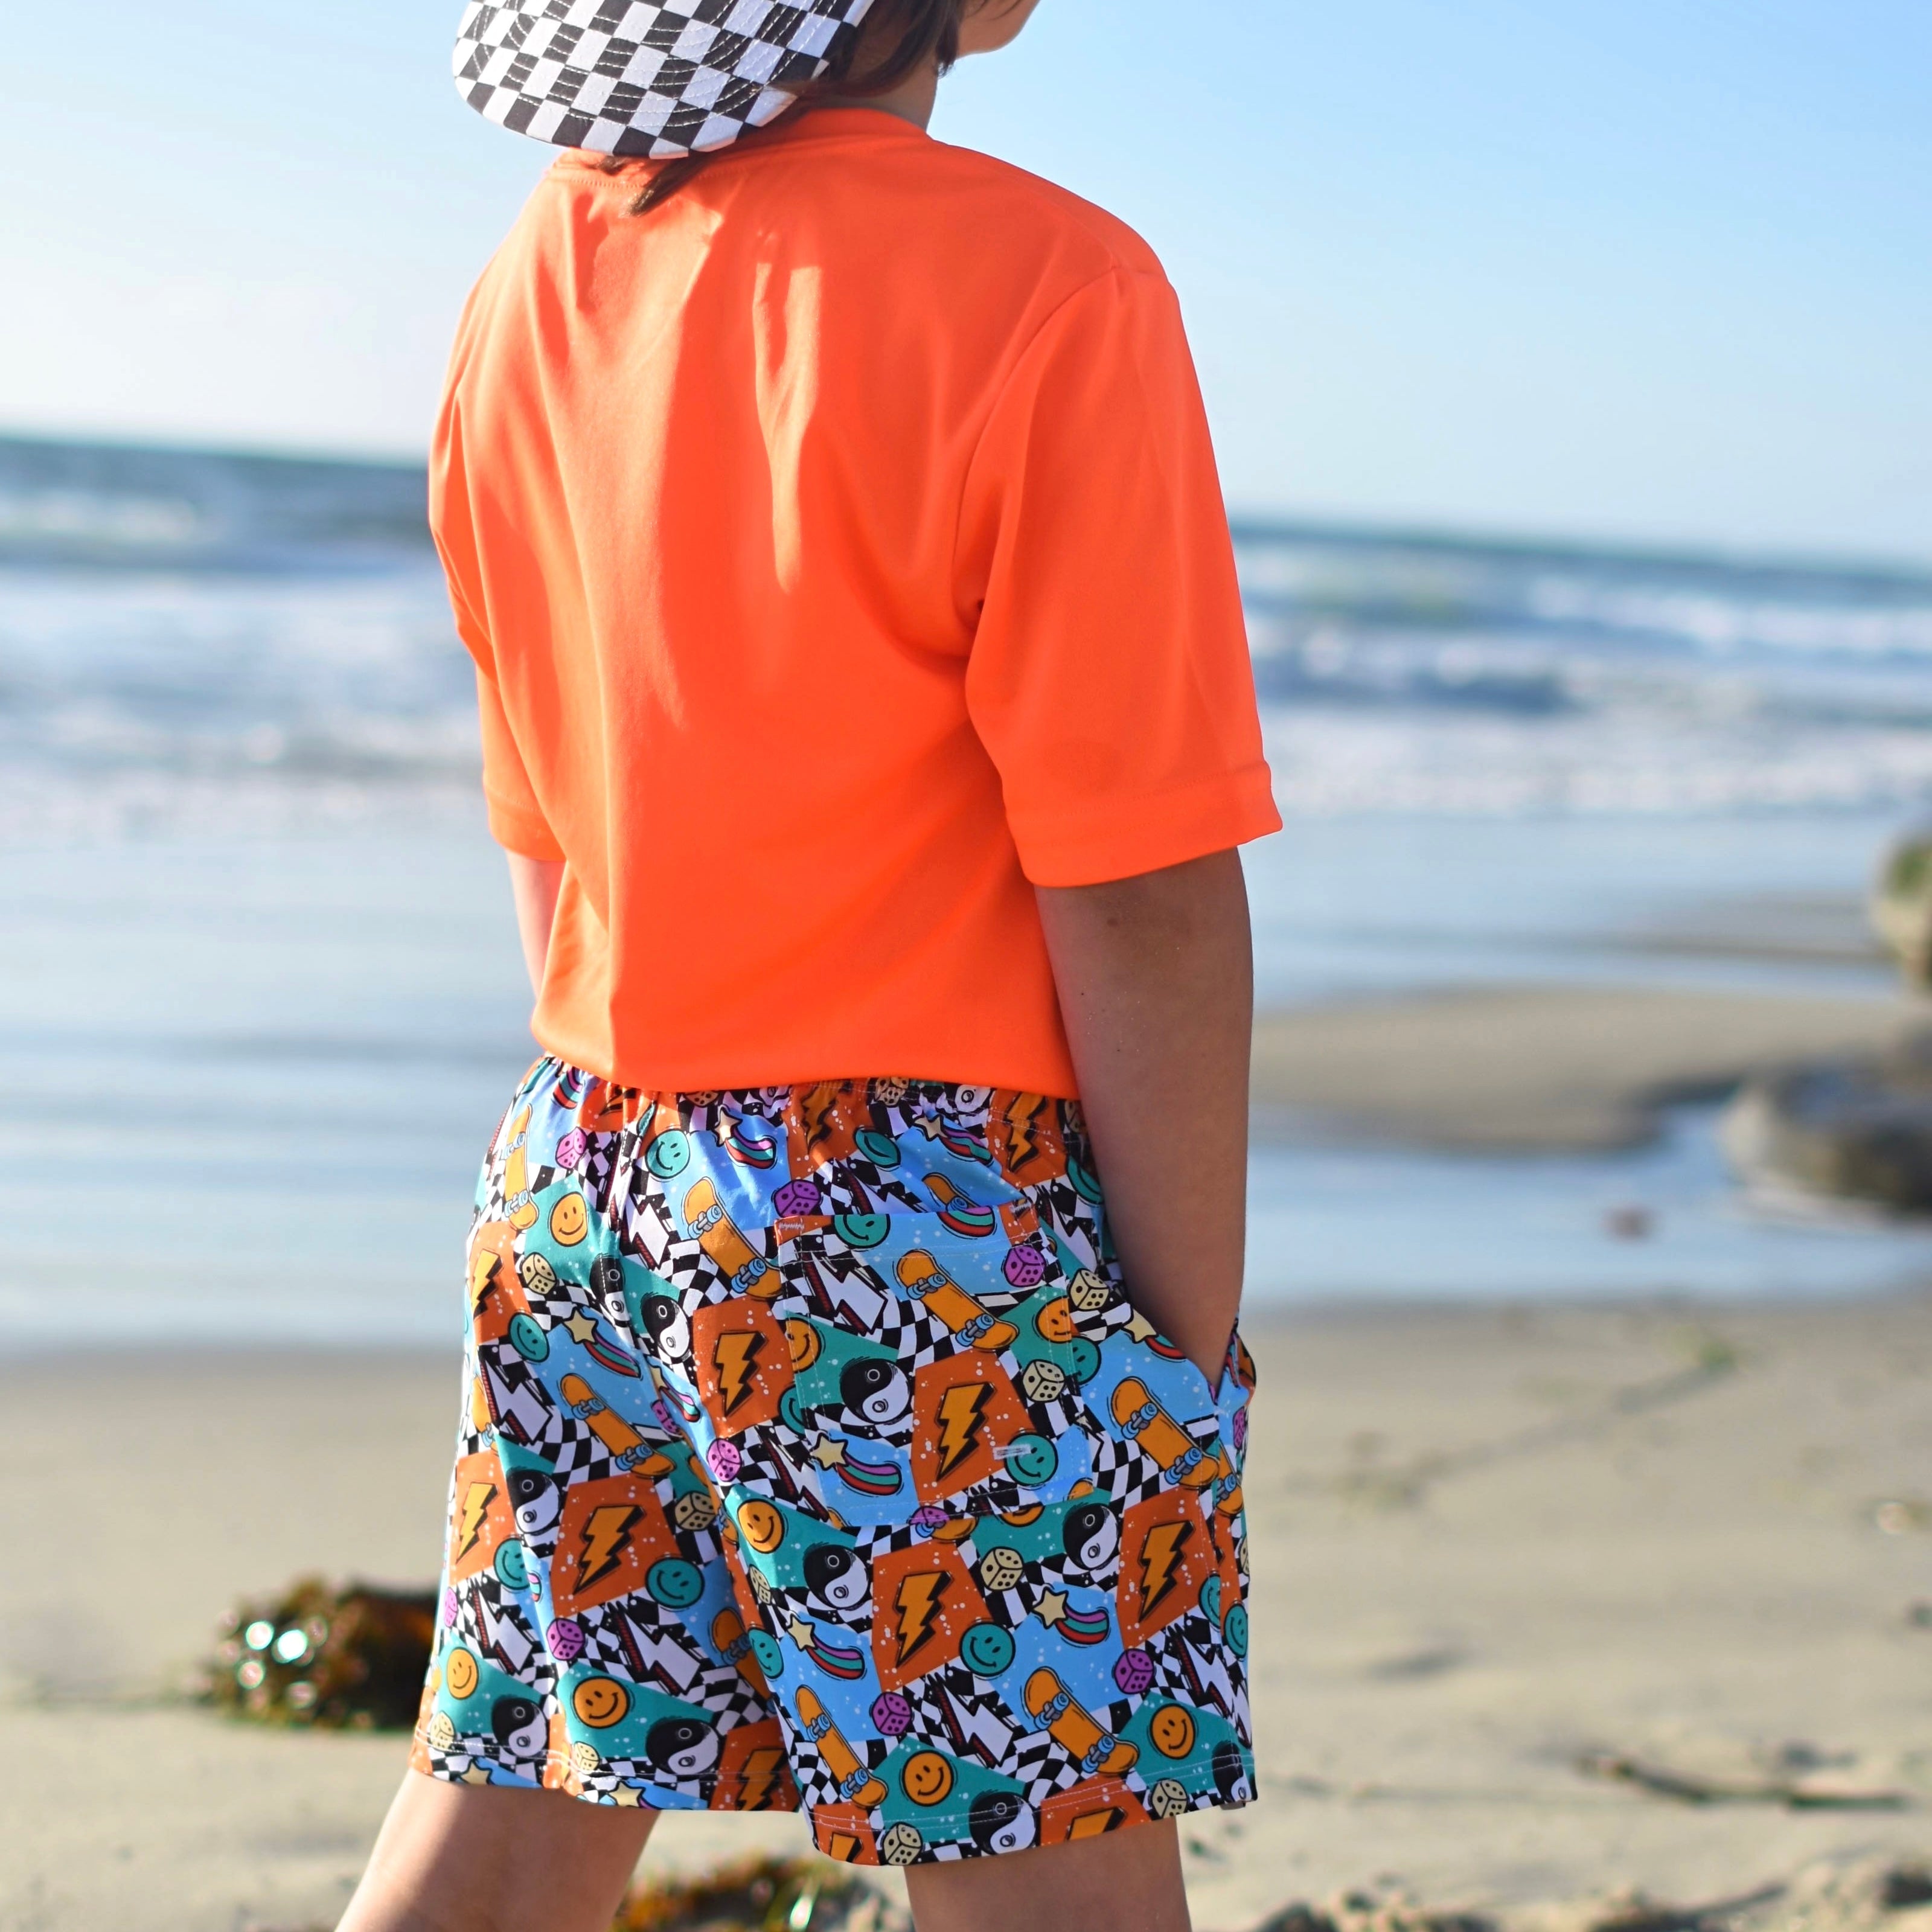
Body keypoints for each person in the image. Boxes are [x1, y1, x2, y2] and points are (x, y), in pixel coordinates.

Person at [342, 2, 1279, 1928]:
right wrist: (1178, 1342)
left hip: (587, 1158)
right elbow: (1141, 889)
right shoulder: (1050, 281)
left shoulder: (540, 269)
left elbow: (546, 826)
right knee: (1057, 1885)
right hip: (924, 1214)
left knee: (509, 1826)